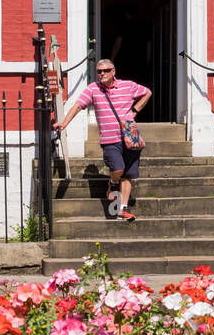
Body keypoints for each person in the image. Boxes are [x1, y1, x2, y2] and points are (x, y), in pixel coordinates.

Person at [53, 60, 151, 222]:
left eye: (106, 70)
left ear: (114, 71)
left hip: (130, 134)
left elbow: (147, 92)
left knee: (129, 175)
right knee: (118, 168)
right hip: (109, 138)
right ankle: (112, 183)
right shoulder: (93, 89)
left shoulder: (128, 86)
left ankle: (123, 209)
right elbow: (77, 106)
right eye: (99, 71)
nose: (102, 74)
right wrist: (64, 123)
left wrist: (134, 110)